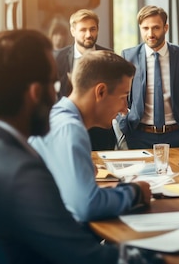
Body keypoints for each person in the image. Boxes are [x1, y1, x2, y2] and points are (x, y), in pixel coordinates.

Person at [0, 29, 118, 263]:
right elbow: (85, 257)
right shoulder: (22, 173)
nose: (58, 96)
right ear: (35, 93)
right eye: (55, 85)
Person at [29, 51, 151, 223]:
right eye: (124, 97)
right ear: (100, 92)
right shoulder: (71, 129)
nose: (125, 109)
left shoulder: (56, 116)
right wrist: (135, 192)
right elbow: (86, 206)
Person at [120, 5, 179, 148]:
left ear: (166, 28)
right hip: (138, 135)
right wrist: (123, 125)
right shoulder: (128, 57)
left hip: (177, 136)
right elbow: (120, 95)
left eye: (156, 28)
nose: (150, 33)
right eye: (145, 28)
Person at [55, 9, 116, 150]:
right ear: (73, 31)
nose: (89, 34)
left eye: (92, 29)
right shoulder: (58, 58)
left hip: (102, 132)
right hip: (67, 129)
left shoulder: (109, 57)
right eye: (83, 30)